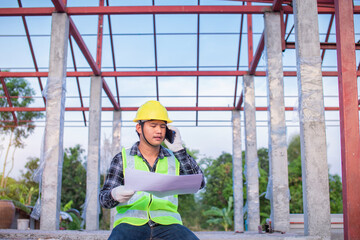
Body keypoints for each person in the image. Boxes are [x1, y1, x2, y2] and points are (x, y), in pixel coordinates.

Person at [99, 100, 205, 240]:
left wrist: (179, 150)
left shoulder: (175, 157)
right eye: (153, 125)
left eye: (162, 126)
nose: (159, 131)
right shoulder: (122, 158)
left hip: (169, 224)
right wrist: (114, 194)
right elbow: (104, 200)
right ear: (139, 128)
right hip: (130, 224)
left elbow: (199, 183)